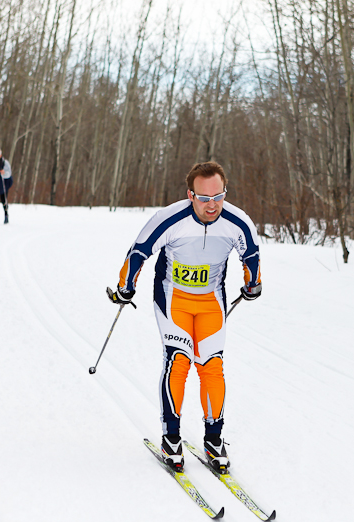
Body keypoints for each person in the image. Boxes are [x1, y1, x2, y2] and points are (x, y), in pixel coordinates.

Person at [109, 161, 262, 473]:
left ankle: (214, 439)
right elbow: (138, 252)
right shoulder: (169, 218)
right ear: (190, 194)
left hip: (210, 301)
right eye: (204, 198)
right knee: (179, 360)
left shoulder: (237, 222)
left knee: (212, 366)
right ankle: (172, 437)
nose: (212, 205)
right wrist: (125, 287)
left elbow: (251, 255)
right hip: (173, 297)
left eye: (218, 196)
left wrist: (253, 284)